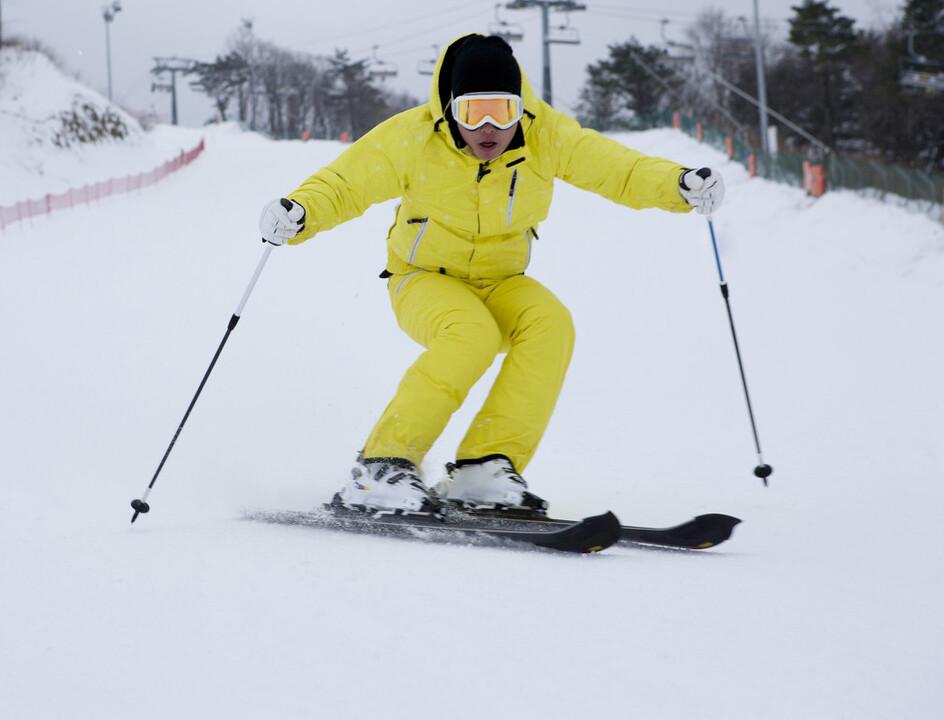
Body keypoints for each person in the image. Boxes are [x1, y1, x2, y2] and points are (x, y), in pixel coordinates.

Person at [258, 34, 725, 515]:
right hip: (422, 277)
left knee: (551, 325)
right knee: (470, 334)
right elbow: (345, 182)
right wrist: (301, 213)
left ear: (520, 109)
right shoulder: (414, 137)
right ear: (449, 110)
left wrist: (679, 185)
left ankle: (483, 468)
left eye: (501, 111)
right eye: (472, 111)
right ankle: (382, 467)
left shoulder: (547, 136)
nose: (487, 127)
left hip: (501, 281)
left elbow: (619, 170)